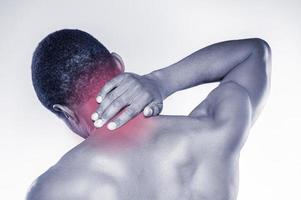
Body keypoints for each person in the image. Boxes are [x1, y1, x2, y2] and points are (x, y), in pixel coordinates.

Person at [27, 29, 271, 200]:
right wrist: (161, 81)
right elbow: (254, 52)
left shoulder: (52, 190)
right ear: (118, 64)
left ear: (65, 112)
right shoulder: (212, 129)